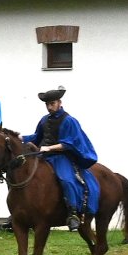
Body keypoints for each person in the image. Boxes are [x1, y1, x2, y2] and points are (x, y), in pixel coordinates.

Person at [23, 87, 99, 227]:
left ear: (59, 102)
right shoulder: (44, 120)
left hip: (61, 157)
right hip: (44, 156)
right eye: (47, 104)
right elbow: (36, 137)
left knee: (67, 180)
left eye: (52, 104)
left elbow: (69, 143)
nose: (49, 107)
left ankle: (73, 213)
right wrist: (18, 137)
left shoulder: (69, 121)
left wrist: (50, 147)